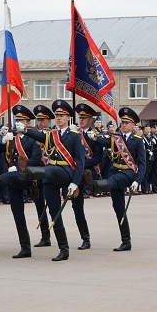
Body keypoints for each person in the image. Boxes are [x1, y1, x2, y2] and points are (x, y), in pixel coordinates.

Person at [18, 100, 85, 261]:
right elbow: (39, 135)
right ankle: (64, 249)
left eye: (62, 115)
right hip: (49, 175)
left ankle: (27, 172)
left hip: (66, 172)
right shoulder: (51, 134)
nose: (59, 118)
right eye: (57, 115)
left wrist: (75, 183)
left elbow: (80, 162)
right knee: (54, 210)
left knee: (45, 171)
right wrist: (25, 130)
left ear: (68, 117)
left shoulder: (75, 136)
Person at [0, 105, 43, 258]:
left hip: (28, 176)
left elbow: (36, 159)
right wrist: (2, 141)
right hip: (12, 179)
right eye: (17, 120)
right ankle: (25, 247)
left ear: (28, 123)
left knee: (39, 207)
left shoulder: (33, 138)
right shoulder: (11, 138)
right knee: (17, 213)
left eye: (22, 120)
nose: (18, 123)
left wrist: (21, 168)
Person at [83, 107, 146, 251]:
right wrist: (94, 136)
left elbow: (142, 163)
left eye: (126, 123)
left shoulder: (137, 140)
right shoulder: (116, 138)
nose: (123, 125)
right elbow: (103, 142)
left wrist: (138, 181)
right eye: (122, 122)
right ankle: (126, 241)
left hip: (127, 173)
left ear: (133, 125)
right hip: (115, 170)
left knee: (113, 181)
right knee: (119, 208)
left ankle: (93, 185)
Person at [70, 103, 103, 250]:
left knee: (86, 174)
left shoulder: (95, 135)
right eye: (80, 117)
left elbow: (98, 158)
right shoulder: (74, 134)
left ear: (91, 119)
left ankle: (91, 184)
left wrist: (82, 165)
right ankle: (85, 238)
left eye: (84, 118)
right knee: (77, 209)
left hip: (89, 169)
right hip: (75, 171)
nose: (81, 120)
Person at [31, 104, 55, 246]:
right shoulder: (33, 136)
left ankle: (57, 233)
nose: (40, 122)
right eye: (38, 120)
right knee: (40, 206)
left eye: (43, 120)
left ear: (49, 121)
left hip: (51, 173)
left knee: (53, 206)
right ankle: (45, 236)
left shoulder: (54, 135)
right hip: (37, 174)